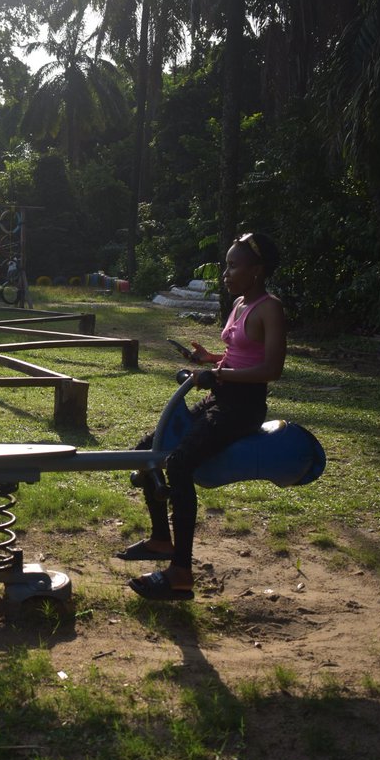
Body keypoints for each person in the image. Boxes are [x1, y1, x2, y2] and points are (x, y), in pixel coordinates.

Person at [120, 232, 285, 600]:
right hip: (218, 397)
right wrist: (210, 360)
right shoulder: (240, 303)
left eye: (232, 265)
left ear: (256, 270)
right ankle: (161, 540)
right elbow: (240, 356)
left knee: (178, 465)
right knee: (149, 450)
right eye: (225, 265)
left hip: (242, 408)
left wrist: (219, 375)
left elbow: (271, 369)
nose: (225, 273)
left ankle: (181, 572)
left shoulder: (270, 308)